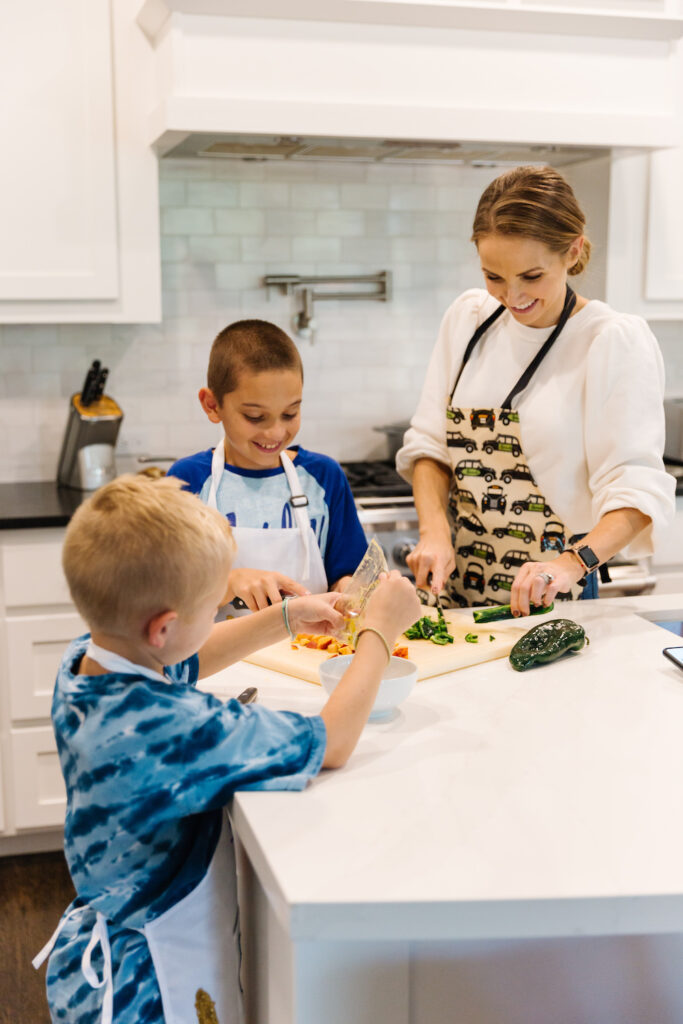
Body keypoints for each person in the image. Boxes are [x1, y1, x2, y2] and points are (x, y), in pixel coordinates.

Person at [34, 474, 420, 1024]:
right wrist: (378, 634)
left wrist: (286, 617)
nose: (218, 613)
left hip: (101, 959)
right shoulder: (172, 728)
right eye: (214, 605)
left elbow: (181, 659)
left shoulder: (88, 662)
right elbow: (331, 742)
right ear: (164, 626)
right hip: (151, 987)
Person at [398, 165, 675, 615]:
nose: (512, 296)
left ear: (573, 250)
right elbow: (430, 448)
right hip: (454, 591)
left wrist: (569, 564)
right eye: (494, 276)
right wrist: (433, 532)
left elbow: (637, 493)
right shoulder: (469, 320)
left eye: (531, 276)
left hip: (554, 594)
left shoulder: (609, 341)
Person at [168, 319, 368, 613]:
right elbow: (165, 594)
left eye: (290, 413)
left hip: (309, 653)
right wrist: (228, 582)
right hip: (218, 658)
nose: (275, 433)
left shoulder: (323, 478)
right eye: (255, 417)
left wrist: (352, 590)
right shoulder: (188, 482)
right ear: (212, 405)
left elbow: (348, 575)